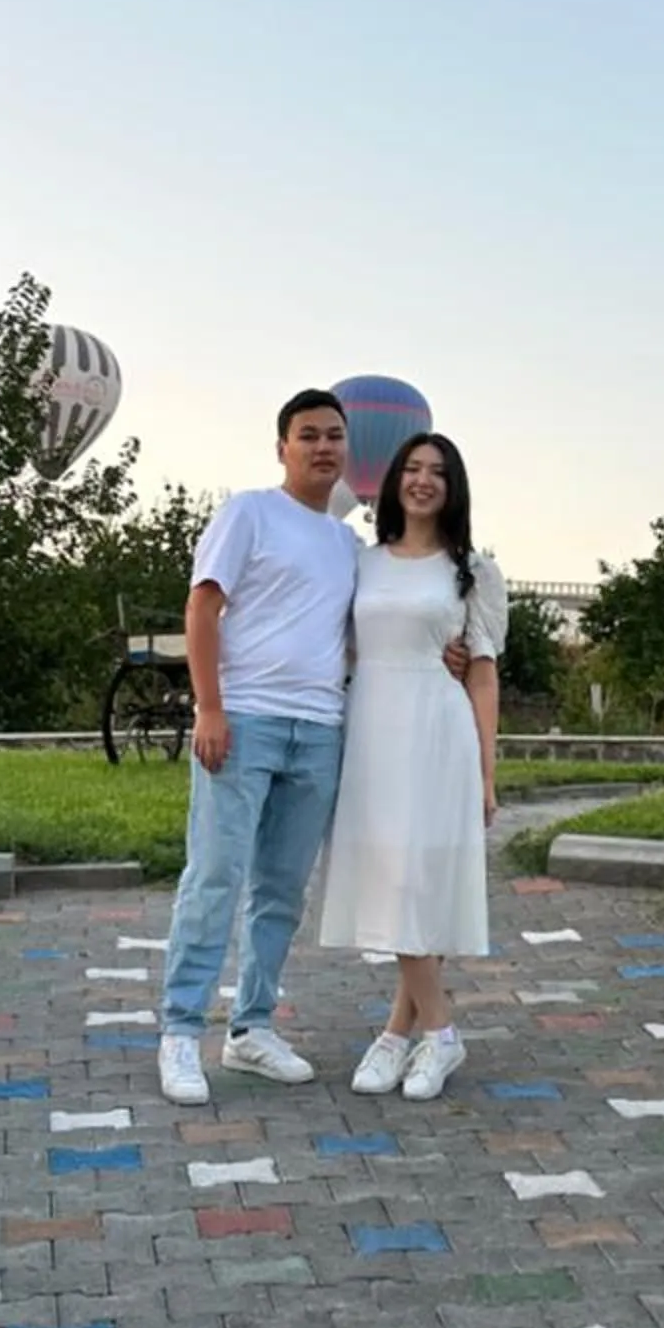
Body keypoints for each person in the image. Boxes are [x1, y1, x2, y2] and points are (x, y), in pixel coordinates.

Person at [156, 391, 362, 1105]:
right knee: (215, 875)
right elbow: (202, 606)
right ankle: (181, 1031)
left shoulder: (347, 544)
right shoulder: (248, 511)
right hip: (244, 721)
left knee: (281, 890)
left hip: (319, 729)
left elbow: (357, 640)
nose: (323, 447)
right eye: (308, 435)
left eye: (335, 436)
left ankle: (251, 1029)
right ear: (282, 447)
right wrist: (209, 707)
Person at [317, 432, 505, 1100]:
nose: (423, 481)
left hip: (437, 730)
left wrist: (485, 771)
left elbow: (482, 677)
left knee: (416, 878)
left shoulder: (471, 572)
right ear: (394, 479)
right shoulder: (362, 564)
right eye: (412, 469)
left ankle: (431, 1035)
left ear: (454, 488)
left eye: (438, 472)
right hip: (372, 729)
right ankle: (410, 1033)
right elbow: (342, 649)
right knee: (392, 876)